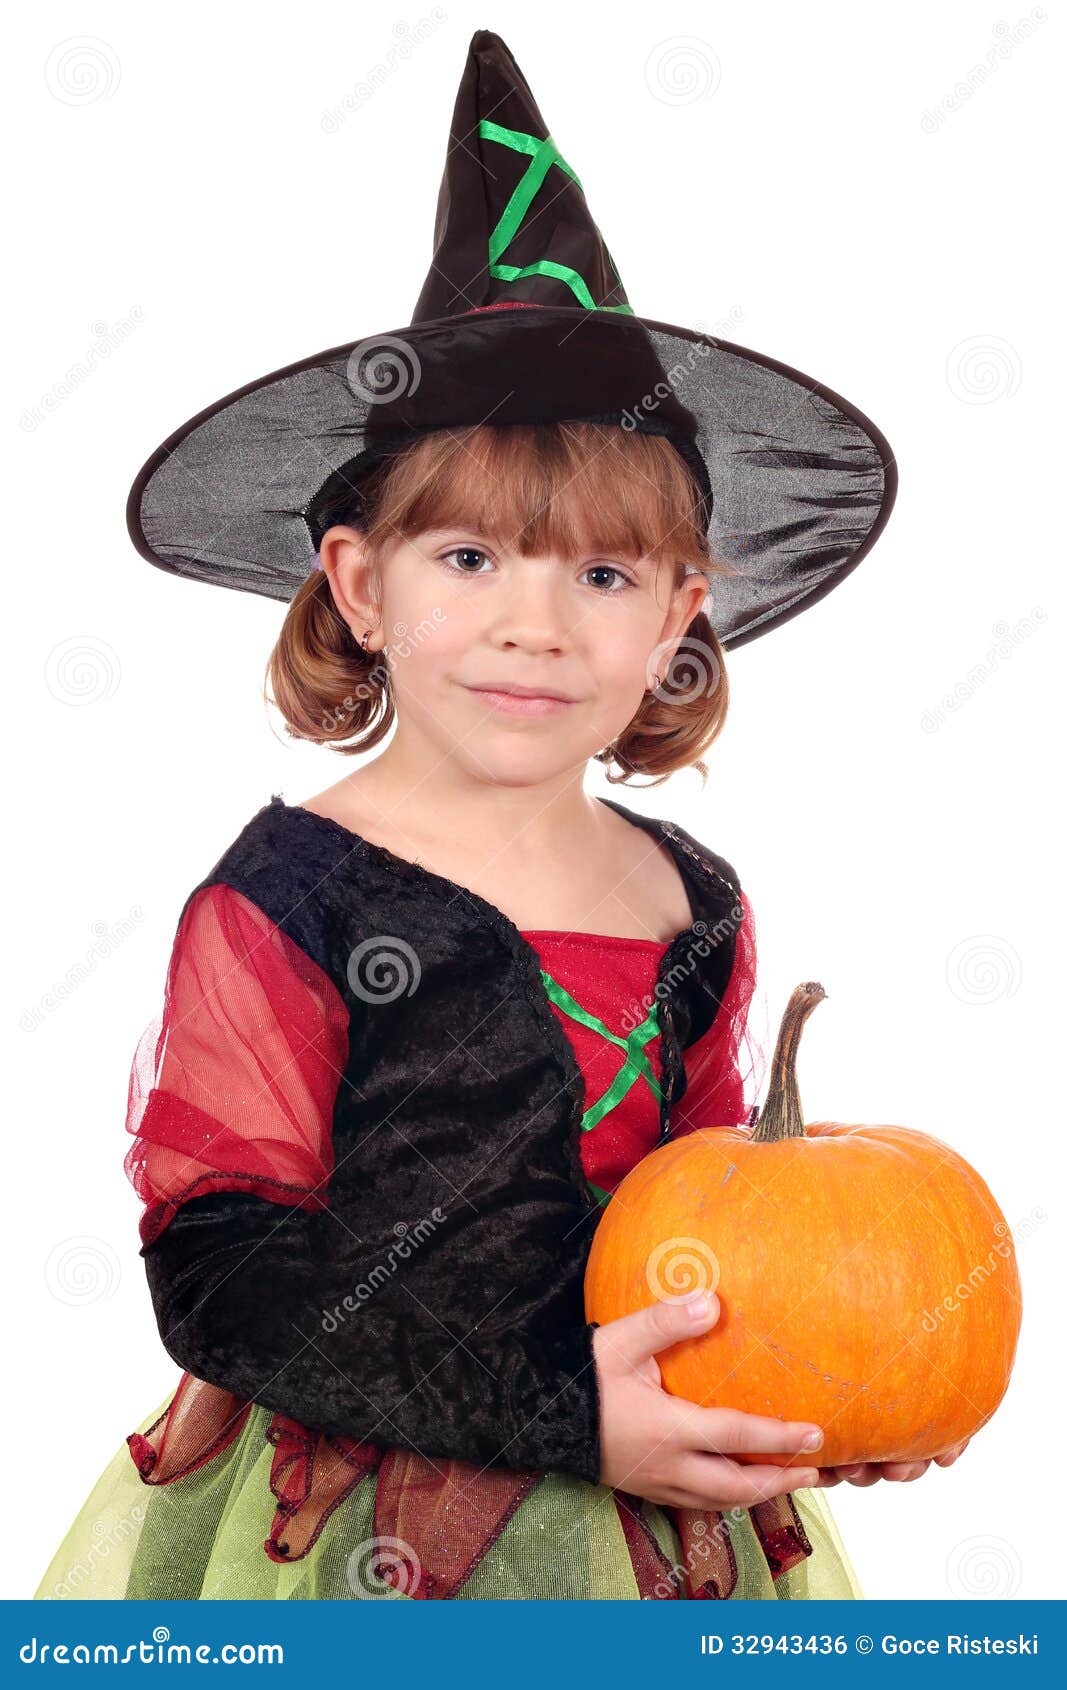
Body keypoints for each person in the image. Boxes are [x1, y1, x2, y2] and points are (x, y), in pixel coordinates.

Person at [34, 32, 964, 1603]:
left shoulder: (697, 903)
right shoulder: (289, 903)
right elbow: (227, 1277)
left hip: (654, 1526)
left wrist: (837, 1369)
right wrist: (557, 1414)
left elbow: (716, 1207)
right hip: (356, 1526)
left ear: (680, 614)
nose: (537, 625)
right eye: (470, 560)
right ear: (358, 584)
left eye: (601, 576)